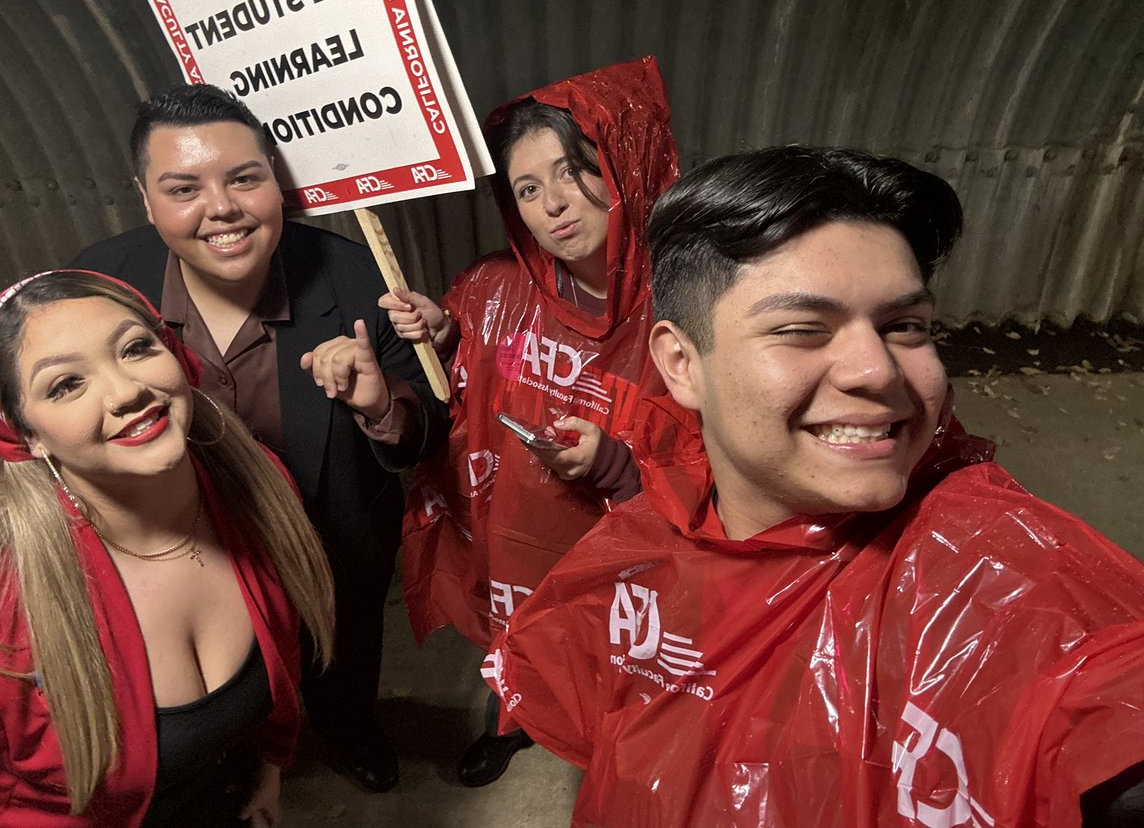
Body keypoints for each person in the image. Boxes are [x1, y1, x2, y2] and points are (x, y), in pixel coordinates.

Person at [482, 147, 1144, 825]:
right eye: (803, 330)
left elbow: (1102, 693)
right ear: (681, 364)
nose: (877, 371)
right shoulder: (652, 533)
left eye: (905, 326)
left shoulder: (1000, 579)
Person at [70, 84, 449, 792]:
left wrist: (379, 405)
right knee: (217, 703)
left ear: (276, 179)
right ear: (146, 199)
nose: (222, 208)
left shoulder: (349, 270)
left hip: (331, 544)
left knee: (341, 657)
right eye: (184, 188)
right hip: (184, 557)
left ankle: (347, 732)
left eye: (244, 178)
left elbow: (427, 423)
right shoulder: (99, 286)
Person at [0, 270, 335, 826]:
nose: (127, 390)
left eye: (135, 348)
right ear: (24, 433)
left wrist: (269, 767)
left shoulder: (256, 487)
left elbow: (282, 652)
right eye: (65, 385)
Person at [381, 57, 679, 786]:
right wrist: (448, 338)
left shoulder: (693, 305)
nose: (554, 203)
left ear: (623, 168)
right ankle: (509, 723)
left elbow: (721, 467)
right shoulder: (491, 286)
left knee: (624, 660)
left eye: (572, 171)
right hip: (519, 533)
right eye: (527, 188)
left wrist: (613, 463)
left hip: (624, 545)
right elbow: (476, 382)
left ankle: (619, 752)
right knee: (517, 639)